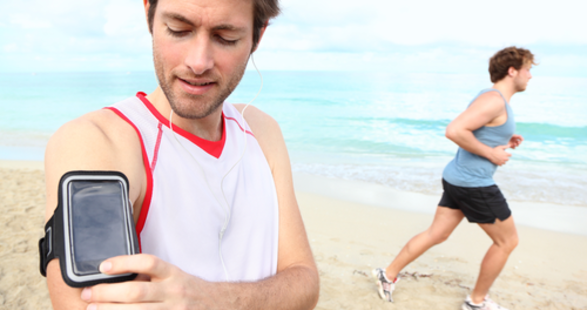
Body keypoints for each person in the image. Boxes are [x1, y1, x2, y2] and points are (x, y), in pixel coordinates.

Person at [43, 0, 319, 309]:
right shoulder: (100, 141)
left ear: (258, 36)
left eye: (226, 37)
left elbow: (305, 282)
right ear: (149, 13)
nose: (198, 61)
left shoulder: (262, 132)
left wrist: (215, 300)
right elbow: (86, 304)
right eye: (179, 30)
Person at [372, 46, 536, 310]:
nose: (530, 76)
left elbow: (478, 131)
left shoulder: (492, 99)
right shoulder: (494, 100)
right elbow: (455, 130)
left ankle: (387, 274)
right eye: (527, 69)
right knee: (507, 241)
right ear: (512, 70)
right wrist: (491, 155)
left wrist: (504, 140)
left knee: (437, 233)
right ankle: (476, 302)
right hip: (474, 183)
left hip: (459, 178)